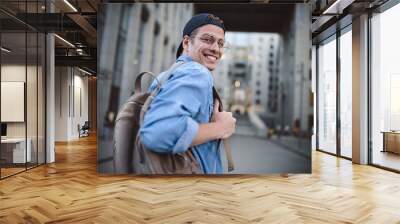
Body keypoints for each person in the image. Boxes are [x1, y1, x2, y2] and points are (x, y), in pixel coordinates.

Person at [139, 13, 236, 174]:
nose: (216, 49)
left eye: (220, 43)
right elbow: (157, 133)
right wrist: (220, 127)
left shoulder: (167, 75)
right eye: (207, 39)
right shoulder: (196, 72)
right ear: (186, 42)